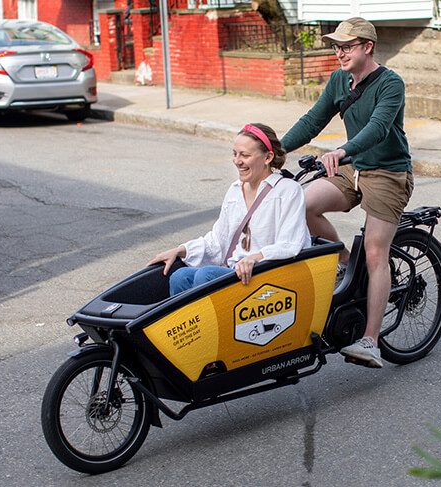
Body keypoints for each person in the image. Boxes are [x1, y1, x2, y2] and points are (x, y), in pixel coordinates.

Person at [281, 17, 413, 369]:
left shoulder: (390, 83)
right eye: (336, 46)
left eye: (347, 46)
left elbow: (379, 128)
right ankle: (342, 264)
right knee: (301, 204)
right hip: (352, 168)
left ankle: (370, 339)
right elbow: (313, 121)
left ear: (367, 47)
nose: (339, 53)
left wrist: (342, 150)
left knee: (373, 252)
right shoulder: (340, 79)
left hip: (387, 171)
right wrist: (273, 150)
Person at [150, 123, 310, 295]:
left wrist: (255, 258)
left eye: (245, 155)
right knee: (180, 276)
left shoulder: (288, 190)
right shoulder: (235, 190)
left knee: (206, 275)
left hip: (266, 273)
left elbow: (290, 243)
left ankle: (210, 321)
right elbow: (218, 241)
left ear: (268, 157)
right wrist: (181, 250)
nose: (237, 161)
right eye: (235, 154)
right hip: (236, 271)